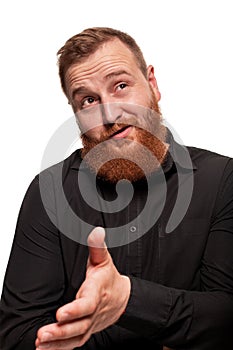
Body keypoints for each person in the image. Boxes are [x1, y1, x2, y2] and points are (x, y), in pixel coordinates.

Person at [0, 27, 233, 350]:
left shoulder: (223, 179)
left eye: (121, 86)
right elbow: (18, 338)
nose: (110, 114)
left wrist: (125, 300)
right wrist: (172, 329)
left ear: (152, 84)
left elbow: (226, 320)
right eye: (88, 101)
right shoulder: (49, 193)